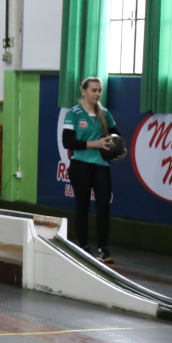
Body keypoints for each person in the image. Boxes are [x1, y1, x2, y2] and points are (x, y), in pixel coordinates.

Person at [62, 77, 123, 264]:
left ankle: (103, 249)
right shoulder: (73, 114)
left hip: (101, 166)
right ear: (83, 91)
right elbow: (68, 142)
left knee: (103, 206)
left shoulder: (105, 113)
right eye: (93, 90)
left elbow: (116, 136)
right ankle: (83, 247)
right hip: (80, 164)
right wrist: (94, 144)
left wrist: (120, 150)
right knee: (83, 206)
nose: (97, 93)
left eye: (99, 90)